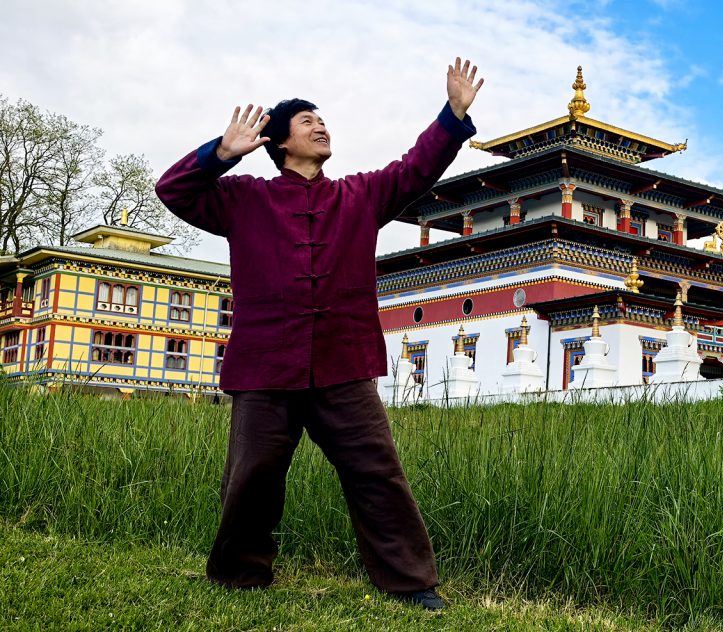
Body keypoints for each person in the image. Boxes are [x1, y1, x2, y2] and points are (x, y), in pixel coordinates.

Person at [155, 57, 483, 610]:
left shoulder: (359, 195)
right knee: (252, 475)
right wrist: (221, 153)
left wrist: (452, 115)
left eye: (322, 119)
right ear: (280, 142)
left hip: (344, 364)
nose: (320, 125)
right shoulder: (244, 199)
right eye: (307, 120)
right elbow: (174, 190)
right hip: (265, 366)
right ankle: (239, 573)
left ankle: (410, 582)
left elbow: (415, 169)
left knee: (377, 471)